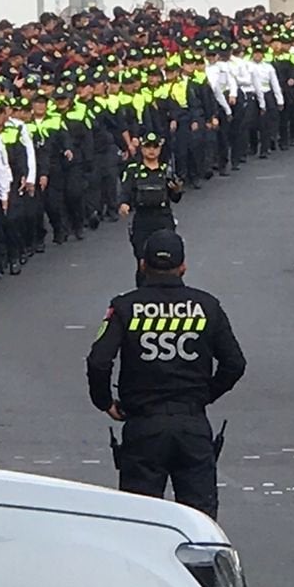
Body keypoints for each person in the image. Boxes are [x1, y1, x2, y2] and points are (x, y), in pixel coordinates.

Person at [85, 231, 246, 520]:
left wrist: (105, 402)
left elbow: (98, 361)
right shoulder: (207, 306)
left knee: (141, 522)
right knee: (199, 522)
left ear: (142, 265)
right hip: (191, 424)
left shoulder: (124, 307)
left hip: (143, 425)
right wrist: (203, 395)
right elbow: (234, 363)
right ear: (183, 266)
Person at [119, 132, 184, 288]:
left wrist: (177, 189)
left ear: (160, 149)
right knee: (143, 262)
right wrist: (124, 204)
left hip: (163, 219)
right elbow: (125, 191)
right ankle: (142, 293)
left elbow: (175, 197)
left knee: (167, 260)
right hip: (143, 220)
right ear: (142, 149)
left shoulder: (166, 170)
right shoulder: (133, 170)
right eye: (148, 146)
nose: (151, 150)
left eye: (155, 147)